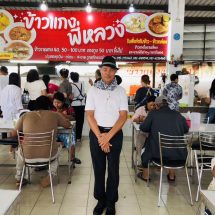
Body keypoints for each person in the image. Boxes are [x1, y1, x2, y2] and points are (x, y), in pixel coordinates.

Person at [85, 56, 128, 215]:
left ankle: (110, 202)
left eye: (111, 70)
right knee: (98, 168)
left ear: (115, 71)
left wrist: (107, 137)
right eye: (105, 69)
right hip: (96, 133)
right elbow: (89, 115)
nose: (108, 73)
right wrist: (100, 136)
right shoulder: (93, 90)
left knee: (113, 169)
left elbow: (123, 116)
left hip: (114, 134)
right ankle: (100, 200)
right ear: (100, 70)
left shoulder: (121, 91)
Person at [11, 96, 71, 187]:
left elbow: (13, 134)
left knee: (20, 150)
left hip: (27, 156)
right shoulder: (54, 115)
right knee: (60, 145)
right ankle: (51, 175)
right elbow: (68, 125)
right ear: (49, 105)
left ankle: (19, 177)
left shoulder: (25, 116)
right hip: (49, 155)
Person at [139, 95, 189, 181]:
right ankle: (172, 175)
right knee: (172, 145)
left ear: (156, 105)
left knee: (146, 147)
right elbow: (186, 129)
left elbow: (143, 128)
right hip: (179, 155)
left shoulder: (153, 114)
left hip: (157, 155)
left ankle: (145, 175)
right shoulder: (178, 115)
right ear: (168, 104)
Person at [52, 92, 81, 165]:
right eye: (55, 102)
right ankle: (46, 160)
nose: (56, 104)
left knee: (71, 136)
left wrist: (62, 115)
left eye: (58, 102)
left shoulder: (68, 107)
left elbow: (73, 118)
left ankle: (72, 157)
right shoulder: (51, 109)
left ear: (63, 102)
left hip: (64, 132)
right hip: (53, 132)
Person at [132, 96, 156, 167]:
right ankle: (139, 158)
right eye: (150, 105)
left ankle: (155, 159)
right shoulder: (141, 109)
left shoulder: (157, 109)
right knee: (140, 136)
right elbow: (133, 119)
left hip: (153, 133)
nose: (152, 107)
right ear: (146, 104)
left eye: (154, 105)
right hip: (143, 132)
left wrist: (144, 118)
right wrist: (140, 119)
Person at [70, 72, 86, 142]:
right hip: (82, 104)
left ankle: (74, 137)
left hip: (74, 105)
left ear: (71, 78)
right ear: (78, 77)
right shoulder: (82, 83)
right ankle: (79, 137)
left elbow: (72, 96)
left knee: (74, 121)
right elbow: (84, 93)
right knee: (80, 121)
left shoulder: (71, 85)